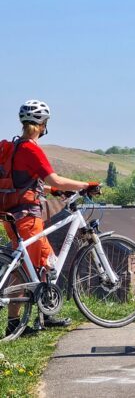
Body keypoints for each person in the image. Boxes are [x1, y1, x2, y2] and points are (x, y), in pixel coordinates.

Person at [4, 99, 100, 336]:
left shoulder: (13, 147)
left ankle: (40, 317)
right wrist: (86, 185)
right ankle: (22, 323)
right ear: (43, 124)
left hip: (11, 215)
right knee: (35, 268)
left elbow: (28, 183)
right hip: (28, 216)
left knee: (38, 266)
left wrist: (52, 191)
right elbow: (53, 179)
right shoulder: (31, 149)